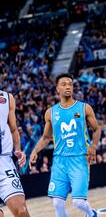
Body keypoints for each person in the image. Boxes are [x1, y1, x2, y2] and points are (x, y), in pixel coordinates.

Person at [29, 74, 101, 217]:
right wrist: (34, 151)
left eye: (70, 84)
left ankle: (91, 214)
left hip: (79, 159)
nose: (68, 86)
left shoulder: (84, 108)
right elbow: (46, 137)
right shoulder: (50, 113)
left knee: (78, 203)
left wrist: (93, 146)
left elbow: (97, 129)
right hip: (60, 161)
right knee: (57, 203)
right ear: (57, 89)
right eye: (64, 84)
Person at [0, 90, 30, 216]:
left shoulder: (7, 98)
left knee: (22, 211)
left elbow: (13, 129)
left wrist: (17, 149)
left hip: (4, 162)